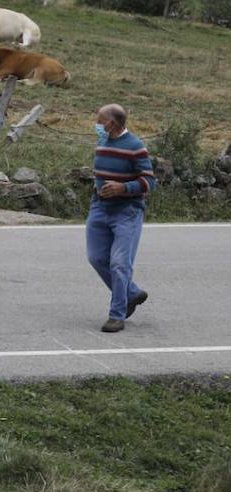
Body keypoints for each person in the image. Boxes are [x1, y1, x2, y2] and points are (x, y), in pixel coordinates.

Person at [87, 103, 157, 332]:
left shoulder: (136, 147)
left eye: (100, 120)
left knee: (119, 263)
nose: (97, 124)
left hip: (127, 211)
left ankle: (117, 316)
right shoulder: (103, 141)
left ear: (112, 123)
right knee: (97, 258)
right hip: (99, 207)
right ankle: (132, 293)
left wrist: (123, 188)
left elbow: (149, 182)